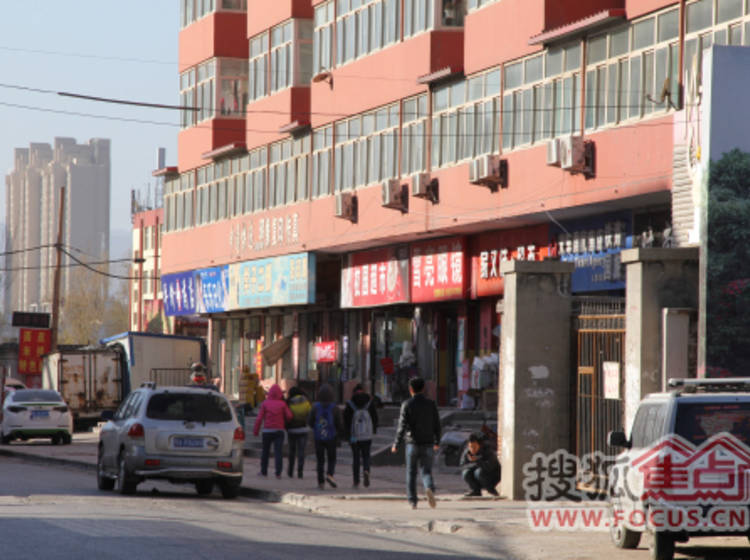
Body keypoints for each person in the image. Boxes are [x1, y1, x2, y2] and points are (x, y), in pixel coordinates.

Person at [391, 377, 441, 509]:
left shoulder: (406, 404)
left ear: (410, 389)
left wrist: (396, 443)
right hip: (428, 442)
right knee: (426, 471)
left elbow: (402, 425)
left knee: (411, 472)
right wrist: (437, 441)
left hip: (412, 442)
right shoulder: (431, 404)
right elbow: (437, 424)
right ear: (423, 388)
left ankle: (413, 501)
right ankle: (429, 487)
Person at [308, 383, 343, 490]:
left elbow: (310, 421)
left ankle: (321, 482)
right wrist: (338, 432)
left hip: (319, 437)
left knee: (320, 460)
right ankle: (330, 474)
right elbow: (339, 423)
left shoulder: (315, 407)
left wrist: (316, 428)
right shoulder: (335, 408)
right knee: (332, 458)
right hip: (331, 436)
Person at [252, 384, 292, 479]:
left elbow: (259, 419)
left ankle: (264, 471)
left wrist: (256, 431)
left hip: (267, 431)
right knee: (278, 452)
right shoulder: (283, 404)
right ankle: (278, 473)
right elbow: (289, 416)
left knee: (265, 452)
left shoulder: (265, 403)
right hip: (279, 431)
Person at [344, 383, 379, 488]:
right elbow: (375, 417)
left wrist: (347, 435)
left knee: (356, 458)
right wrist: (374, 430)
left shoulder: (350, 404)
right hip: (367, 435)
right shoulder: (369, 403)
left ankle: (356, 481)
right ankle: (366, 470)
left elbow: (346, 420)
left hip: (354, 436)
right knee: (366, 456)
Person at [460, 433, 501, 497]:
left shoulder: (487, 451)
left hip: (492, 475)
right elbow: (462, 466)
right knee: (466, 473)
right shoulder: (467, 453)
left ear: (479, 445)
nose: (472, 449)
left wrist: (477, 461)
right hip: (478, 474)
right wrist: (474, 465)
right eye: (470, 447)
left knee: (478, 472)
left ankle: (491, 489)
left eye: (474, 447)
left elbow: (489, 467)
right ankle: (476, 490)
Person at [286, 386, 312, 479]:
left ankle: (290, 471)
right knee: (301, 452)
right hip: (303, 430)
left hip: (292, 430)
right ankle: (300, 472)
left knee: (292, 451)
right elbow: (310, 415)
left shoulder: (289, 403)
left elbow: (287, 416)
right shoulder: (306, 402)